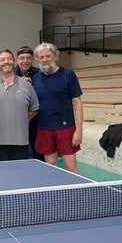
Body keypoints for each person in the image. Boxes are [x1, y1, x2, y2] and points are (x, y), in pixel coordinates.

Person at [32, 42, 83, 174]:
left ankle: (77, 193)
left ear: (55, 56)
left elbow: (77, 103)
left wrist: (79, 130)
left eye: (48, 56)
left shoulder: (68, 74)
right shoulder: (36, 79)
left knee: (70, 166)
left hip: (66, 128)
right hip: (44, 128)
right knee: (50, 164)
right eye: (41, 57)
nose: (44, 60)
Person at [0, 49, 39, 161]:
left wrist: (22, 119)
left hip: (21, 142)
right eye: (2, 60)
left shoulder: (27, 85)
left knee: (19, 176)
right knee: (0, 176)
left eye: (9, 59)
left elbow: (34, 108)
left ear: (14, 61)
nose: (6, 62)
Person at [14, 46, 43, 161]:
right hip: (16, 121)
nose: (25, 61)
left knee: (38, 153)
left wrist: (31, 86)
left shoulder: (40, 74)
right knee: (18, 153)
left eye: (28, 58)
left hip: (35, 121)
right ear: (17, 60)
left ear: (33, 59)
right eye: (22, 58)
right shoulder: (10, 74)